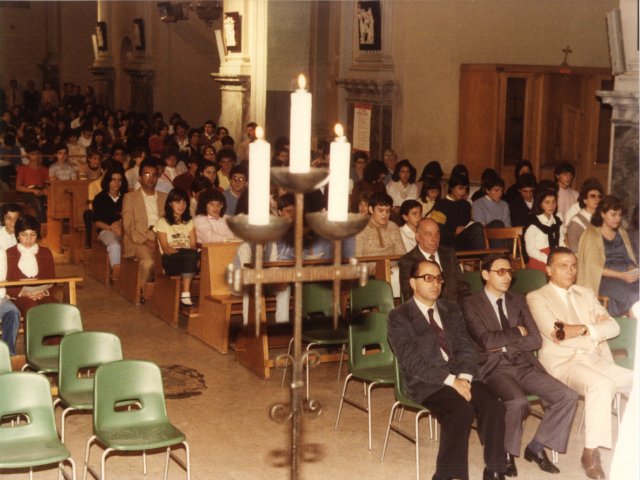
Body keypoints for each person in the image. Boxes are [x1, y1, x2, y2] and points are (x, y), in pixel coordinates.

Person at [388, 259, 507, 480]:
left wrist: (464, 377)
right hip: (427, 382)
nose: (435, 283)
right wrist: (451, 381)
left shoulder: (451, 309)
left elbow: (465, 347)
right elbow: (411, 361)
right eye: (428, 278)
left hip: (461, 375)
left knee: (494, 405)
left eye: (438, 278)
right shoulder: (399, 316)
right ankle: (447, 475)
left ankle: (495, 468)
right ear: (413, 283)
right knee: (461, 410)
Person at [463, 254, 577, 477]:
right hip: (494, 368)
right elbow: (485, 341)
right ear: (485, 274)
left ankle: (536, 447)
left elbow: (535, 339)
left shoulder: (519, 300)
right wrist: (516, 332)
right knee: (517, 402)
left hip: (523, 364)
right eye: (500, 272)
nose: (507, 277)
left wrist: (507, 346)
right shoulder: (470, 303)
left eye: (510, 272)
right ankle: (506, 453)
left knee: (567, 396)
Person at [527, 247, 633, 480]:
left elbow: (613, 327)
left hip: (594, 359)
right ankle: (590, 453)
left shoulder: (585, 292)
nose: (570, 270)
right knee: (601, 385)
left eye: (573, 265)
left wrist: (585, 329)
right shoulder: (536, 297)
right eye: (563, 266)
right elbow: (556, 334)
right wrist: (594, 333)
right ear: (548, 270)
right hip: (562, 364)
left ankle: (632, 443)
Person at [577, 195, 638, 316]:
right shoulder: (591, 235)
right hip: (603, 279)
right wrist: (622, 276)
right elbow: (592, 268)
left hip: (625, 275)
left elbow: (628, 258)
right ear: (603, 214)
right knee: (634, 295)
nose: (617, 219)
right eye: (613, 215)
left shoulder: (621, 232)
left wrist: (631, 269)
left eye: (620, 215)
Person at [122, 158, 168, 303]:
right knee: (148, 262)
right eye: (147, 175)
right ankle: (142, 291)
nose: (150, 178)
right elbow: (128, 226)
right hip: (138, 241)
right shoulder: (130, 198)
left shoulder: (165, 197)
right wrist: (146, 241)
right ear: (140, 178)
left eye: (154, 175)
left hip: (161, 239)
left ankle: (169, 296)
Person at [399, 217, 470, 304]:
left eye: (437, 234)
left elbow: (463, 287)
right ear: (418, 237)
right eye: (428, 234)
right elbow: (409, 296)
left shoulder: (449, 253)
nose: (434, 238)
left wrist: (464, 307)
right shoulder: (407, 261)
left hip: (456, 309)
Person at [5, 215, 58, 316]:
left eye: (32, 234)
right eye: (24, 235)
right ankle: (36, 332)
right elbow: (5, 283)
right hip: (18, 297)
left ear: (37, 235)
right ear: (17, 235)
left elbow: (52, 280)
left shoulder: (45, 253)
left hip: (42, 295)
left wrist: (45, 292)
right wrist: (22, 293)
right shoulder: (8, 254)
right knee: (31, 306)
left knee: (54, 306)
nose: (28, 239)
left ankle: (52, 332)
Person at [154, 188, 199, 307]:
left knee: (196, 255)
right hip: (170, 259)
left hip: (188, 257)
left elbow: (193, 245)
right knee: (191, 255)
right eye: (178, 202)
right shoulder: (162, 222)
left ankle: (187, 295)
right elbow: (166, 249)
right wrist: (186, 253)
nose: (182, 206)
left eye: (184, 202)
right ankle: (185, 295)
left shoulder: (189, 223)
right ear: (170, 203)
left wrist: (192, 254)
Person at [430, 174, 485, 251]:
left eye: (465, 189)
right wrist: (454, 233)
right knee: (477, 227)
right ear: (452, 188)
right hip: (449, 243)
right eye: (460, 188)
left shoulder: (466, 205)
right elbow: (437, 231)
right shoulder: (441, 205)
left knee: (479, 227)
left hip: (465, 241)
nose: (463, 192)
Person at [92, 167, 128, 281]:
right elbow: (97, 222)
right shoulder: (100, 198)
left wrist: (120, 225)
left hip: (125, 229)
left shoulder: (127, 197)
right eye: (113, 180)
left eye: (120, 180)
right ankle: (117, 273)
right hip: (106, 230)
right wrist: (112, 228)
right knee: (115, 245)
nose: (117, 183)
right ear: (108, 181)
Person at [523, 188, 563, 273]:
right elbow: (531, 250)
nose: (551, 205)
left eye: (554, 202)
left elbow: (561, 242)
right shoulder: (533, 223)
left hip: (555, 258)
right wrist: (548, 259)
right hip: (539, 260)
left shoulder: (557, 222)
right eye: (547, 202)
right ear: (540, 204)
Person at [566, 178, 603, 253]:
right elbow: (574, 250)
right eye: (592, 196)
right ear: (585, 200)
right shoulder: (576, 222)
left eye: (599, 196)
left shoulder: (603, 218)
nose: (597, 199)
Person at [15, 144, 49, 223]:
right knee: (37, 202)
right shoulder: (22, 169)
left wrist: (45, 191)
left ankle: (52, 226)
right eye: (32, 154)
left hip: (41, 191)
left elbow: (47, 184)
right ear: (28, 155)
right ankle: (42, 226)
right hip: (28, 192)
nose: (35, 156)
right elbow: (18, 187)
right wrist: (33, 191)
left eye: (37, 153)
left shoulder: (44, 169)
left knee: (52, 199)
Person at [0, 248, 21, 356]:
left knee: (12, 312)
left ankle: (7, 355)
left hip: (0, 298)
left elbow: (2, 278)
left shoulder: (1, 252)